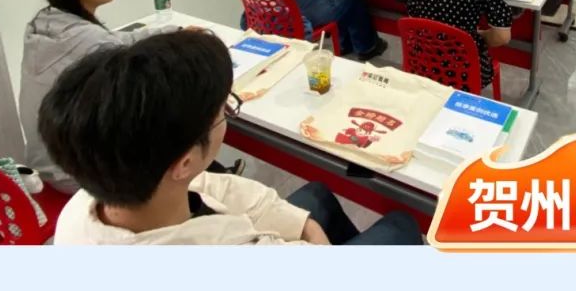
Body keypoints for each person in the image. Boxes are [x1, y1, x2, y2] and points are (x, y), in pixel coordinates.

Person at [41, 32, 422, 245]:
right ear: (184, 161)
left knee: (318, 195)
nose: (225, 113)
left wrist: (303, 225)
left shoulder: (89, 200)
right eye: (222, 110)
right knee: (400, 226)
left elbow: (211, 185)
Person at [20, 0, 206, 193]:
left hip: (48, 159)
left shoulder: (47, 23)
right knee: (176, 124)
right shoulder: (89, 40)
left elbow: (118, 41)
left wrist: (175, 33)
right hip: (75, 171)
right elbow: (121, 54)